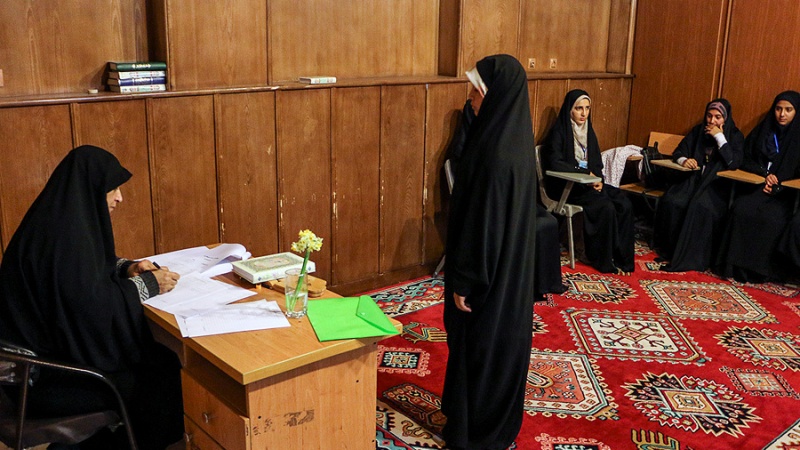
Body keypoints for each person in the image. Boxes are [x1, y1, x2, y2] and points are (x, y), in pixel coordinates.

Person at [0, 145, 184, 449]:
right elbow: (93, 311)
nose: (119, 198)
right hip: (43, 381)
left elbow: (90, 271)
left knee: (159, 360)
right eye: (112, 189)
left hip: (35, 368)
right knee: (158, 374)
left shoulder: (54, 225)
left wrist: (127, 268)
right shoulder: (63, 242)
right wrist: (148, 285)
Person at [441, 54, 537, 450]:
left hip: (486, 279)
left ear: (495, 96)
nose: (471, 99)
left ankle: (475, 432)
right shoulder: (512, 142)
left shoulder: (496, 156)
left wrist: (465, 281)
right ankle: (489, 424)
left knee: (481, 348)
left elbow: (483, 228)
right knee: (499, 346)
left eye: (477, 92)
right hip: (509, 276)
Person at [446, 99, 567, 301]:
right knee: (526, 226)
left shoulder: (508, 134)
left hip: (513, 199)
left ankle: (540, 285)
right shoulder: (473, 142)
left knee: (548, 222)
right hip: (486, 204)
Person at [542, 89, 635, 274]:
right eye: (579, 108)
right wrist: (584, 174)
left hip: (588, 185)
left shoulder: (588, 132)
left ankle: (623, 259)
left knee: (624, 203)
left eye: (587, 108)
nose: (584, 113)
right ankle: (602, 259)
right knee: (605, 207)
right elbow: (555, 163)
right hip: (567, 187)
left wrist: (598, 179)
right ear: (570, 109)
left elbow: (597, 163)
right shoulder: (559, 132)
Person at [716, 91, 800, 282]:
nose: (782, 114)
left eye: (788, 110)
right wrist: (764, 174)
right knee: (741, 209)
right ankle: (734, 267)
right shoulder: (765, 130)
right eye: (778, 109)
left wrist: (779, 183)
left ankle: (759, 272)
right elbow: (745, 158)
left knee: (772, 219)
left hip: (785, 194)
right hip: (758, 186)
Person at [654, 99, 745, 272]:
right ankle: (671, 251)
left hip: (715, 185)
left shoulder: (735, 136)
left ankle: (693, 257)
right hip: (692, 180)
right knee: (673, 201)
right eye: (709, 116)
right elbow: (679, 152)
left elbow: (733, 162)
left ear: (725, 119)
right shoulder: (698, 131)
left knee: (700, 207)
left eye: (718, 117)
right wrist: (684, 160)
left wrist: (719, 137)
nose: (712, 121)